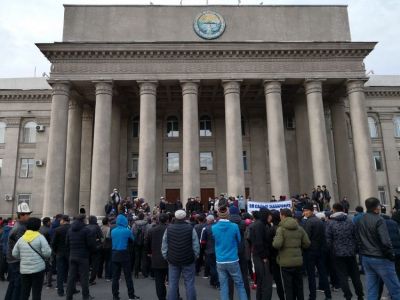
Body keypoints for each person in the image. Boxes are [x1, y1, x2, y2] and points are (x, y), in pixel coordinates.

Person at [356, 197, 400, 299]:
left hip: (366, 257)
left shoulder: (361, 219)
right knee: (395, 288)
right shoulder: (379, 219)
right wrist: (391, 254)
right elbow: (385, 241)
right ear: (377, 207)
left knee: (372, 289)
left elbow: (357, 238)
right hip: (381, 258)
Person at [325, 203, 364, 300]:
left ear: (333, 210)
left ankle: (348, 296)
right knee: (355, 275)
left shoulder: (330, 223)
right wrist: (356, 249)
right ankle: (360, 295)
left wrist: (331, 251)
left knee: (342, 276)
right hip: (351, 253)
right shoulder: (350, 221)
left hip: (337, 254)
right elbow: (356, 237)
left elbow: (328, 241)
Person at [272, 208, 310, 300]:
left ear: (284, 216)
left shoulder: (281, 229)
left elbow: (277, 245)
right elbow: (307, 243)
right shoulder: (299, 228)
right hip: (298, 262)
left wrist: (274, 240)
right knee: (299, 286)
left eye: (281, 215)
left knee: (288, 288)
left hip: (286, 262)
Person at [162, 209, 199, 300]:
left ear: (175, 217)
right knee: (189, 283)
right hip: (188, 259)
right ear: (185, 217)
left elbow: (164, 245)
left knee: (173, 284)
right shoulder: (190, 228)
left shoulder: (169, 228)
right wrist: (195, 256)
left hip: (173, 259)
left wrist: (166, 257)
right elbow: (196, 245)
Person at [212, 206, 248, 300]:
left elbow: (214, 241)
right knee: (240, 284)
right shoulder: (234, 226)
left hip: (220, 259)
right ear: (228, 214)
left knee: (224, 287)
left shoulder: (214, 228)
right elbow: (239, 240)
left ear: (218, 215)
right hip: (232, 259)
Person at [12, 217, 51, 300]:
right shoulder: (40, 237)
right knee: (36, 293)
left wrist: (23, 257)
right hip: (38, 269)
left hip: (24, 270)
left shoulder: (21, 239)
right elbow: (47, 253)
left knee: (24, 292)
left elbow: (14, 253)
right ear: (38, 227)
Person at [302, 202, 332, 300]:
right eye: (304, 211)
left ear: (311, 211)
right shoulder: (319, 221)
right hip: (320, 250)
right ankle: (328, 295)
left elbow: (306, 238)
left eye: (306, 211)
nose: (305, 213)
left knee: (311, 276)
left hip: (310, 251)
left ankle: (312, 297)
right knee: (322, 274)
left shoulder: (308, 222)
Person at [65, 214, 96, 300]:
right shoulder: (86, 230)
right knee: (84, 278)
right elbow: (90, 244)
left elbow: (66, 243)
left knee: (71, 277)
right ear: (83, 220)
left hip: (72, 255)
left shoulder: (70, 230)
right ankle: (85, 296)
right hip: (83, 257)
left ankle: (69, 296)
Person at [5, 202, 32, 300]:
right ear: (21, 215)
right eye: (27, 214)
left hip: (12, 259)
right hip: (16, 260)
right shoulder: (20, 228)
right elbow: (22, 246)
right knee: (18, 284)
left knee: (13, 283)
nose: (29, 216)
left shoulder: (19, 225)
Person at [111, 214, 140, 300]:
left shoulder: (113, 230)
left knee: (115, 277)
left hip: (115, 253)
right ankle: (131, 295)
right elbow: (133, 239)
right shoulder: (127, 231)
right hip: (124, 254)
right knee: (128, 276)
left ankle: (115, 296)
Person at [227, 206, 251, 300]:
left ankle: (229, 297)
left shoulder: (228, 223)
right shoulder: (243, 223)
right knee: (244, 276)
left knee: (229, 277)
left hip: (230, 251)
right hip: (241, 250)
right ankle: (247, 297)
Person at [250, 207, 273, 300]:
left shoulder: (260, 224)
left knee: (261, 281)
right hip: (261, 257)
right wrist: (264, 256)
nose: (270, 217)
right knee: (266, 282)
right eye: (269, 215)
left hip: (258, 255)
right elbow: (259, 242)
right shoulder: (260, 225)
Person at [146, 213, 169, 300]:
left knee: (159, 280)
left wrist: (149, 252)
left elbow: (147, 243)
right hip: (169, 257)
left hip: (156, 257)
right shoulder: (170, 229)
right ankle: (175, 295)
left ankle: (161, 297)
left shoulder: (152, 230)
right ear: (167, 220)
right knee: (173, 279)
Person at [51, 215, 71, 297]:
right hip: (70, 252)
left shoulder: (57, 229)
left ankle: (60, 291)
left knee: (60, 272)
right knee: (71, 272)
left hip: (60, 253)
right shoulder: (72, 228)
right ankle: (71, 289)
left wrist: (55, 251)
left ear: (63, 220)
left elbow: (53, 243)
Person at [200, 214, 219, 289]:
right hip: (219, 249)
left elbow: (202, 241)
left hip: (209, 250)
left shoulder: (205, 228)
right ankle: (214, 282)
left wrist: (204, 249)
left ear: (208, 220)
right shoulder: (218, 227)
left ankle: (215, 282)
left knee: (213, 267)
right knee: (217, 267)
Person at [87, 215, 104, 285]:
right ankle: (91, 279)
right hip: (96, 248)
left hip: (87, 248)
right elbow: (102, 237)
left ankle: (85, 278)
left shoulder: (86, 227)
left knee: (87, 264)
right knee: (95, 264)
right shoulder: (97, 227)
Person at [132, 212, 148, 278]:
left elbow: (132, 233)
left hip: (136, 242)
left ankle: (136, 273)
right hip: (144, 242)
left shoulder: (134, 224)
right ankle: (144, 273)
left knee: (137, 258)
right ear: (143, 216)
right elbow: (147, 233)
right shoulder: (146, 224)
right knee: (144, 258)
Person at [98, 217, 112, 281]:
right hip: (107, 246)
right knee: (108, 261)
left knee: (100, 261)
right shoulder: (108, 228)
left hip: (100, 246)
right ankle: (107, 276)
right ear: (108, 222)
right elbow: (108, 237)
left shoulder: (100, 228)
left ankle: (99, 274)